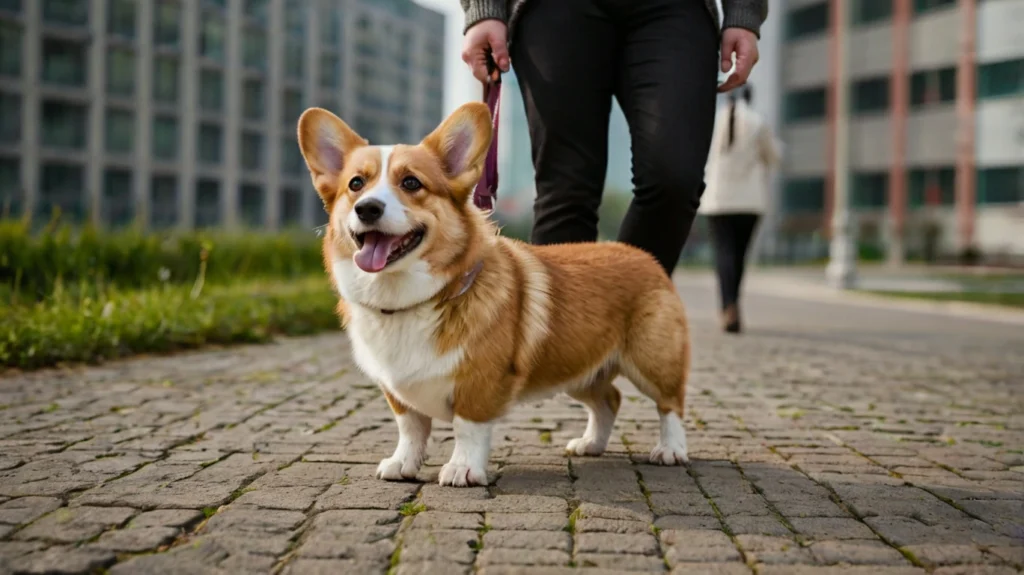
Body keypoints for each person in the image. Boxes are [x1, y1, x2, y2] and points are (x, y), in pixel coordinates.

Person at [459, 0, 768, 277]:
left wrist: (744, 11)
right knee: (566, 189)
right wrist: (482, 9)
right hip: (554, 11)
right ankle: (566, 336)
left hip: (676, 11)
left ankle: (622, 311)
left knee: (675, 176)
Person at [700, 86, 782, 333]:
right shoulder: (758, 122)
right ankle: (734, 304)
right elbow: (774, 158)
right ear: (750, 98)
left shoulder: (713, 122)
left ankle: (727, 307)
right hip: (749, 202)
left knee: (723, 254)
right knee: (739, 255)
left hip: (718, 200)